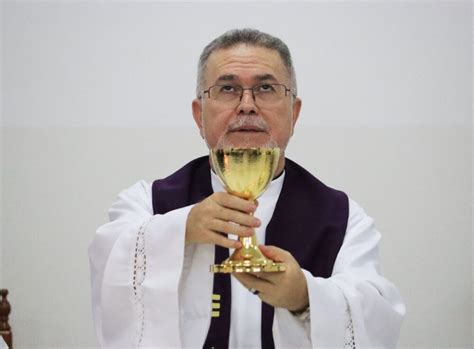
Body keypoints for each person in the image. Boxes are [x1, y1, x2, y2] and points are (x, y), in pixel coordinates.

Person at [89, 28, 405, 348]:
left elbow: (375, 315)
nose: (247, 105)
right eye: (228, 88)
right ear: (199, 115)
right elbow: (109, 266)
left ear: (294, 113)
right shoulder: (149, 203)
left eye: (266, 88)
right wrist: (180, 228)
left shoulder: (343, 218)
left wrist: (303, 297)